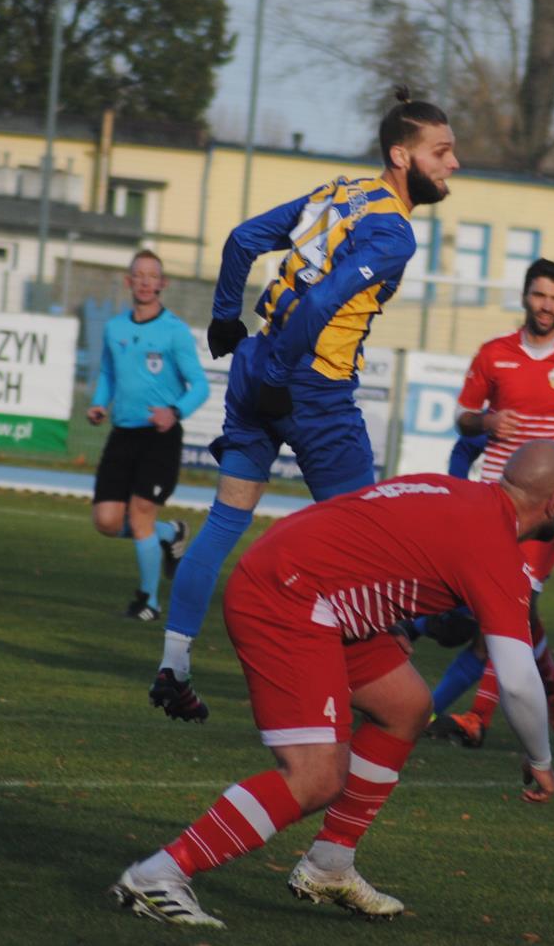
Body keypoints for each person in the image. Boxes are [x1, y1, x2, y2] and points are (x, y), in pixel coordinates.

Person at [108, 441, 554, 929]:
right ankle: (159, 874)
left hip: (314, 588)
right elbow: (519, 680)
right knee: (315, 776)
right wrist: (540, 761)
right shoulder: (496, 546)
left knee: (407, 706)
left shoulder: (456, 493)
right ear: (553, 504)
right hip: (289, 595)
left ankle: (329, 865)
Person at [147, 89, 460, 722]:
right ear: (403, 156)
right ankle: (374, 676)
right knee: (371, 543)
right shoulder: (393, 232)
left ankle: (173, 668)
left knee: (225, 522)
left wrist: (224, 322)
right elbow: (319, 307)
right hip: (310, 388)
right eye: (443, 151)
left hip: (257, 362)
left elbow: (241, 240)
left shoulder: (341, 191)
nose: (454, 163)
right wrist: (286, 375)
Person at [427, 265, 554, 747]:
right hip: (494, 503)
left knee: (507, 613)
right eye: (538, 295)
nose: (546, 305)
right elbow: (463, 421)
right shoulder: (494, 355)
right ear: (525, 296)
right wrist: (486, 422)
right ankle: (552, 680)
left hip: (545, 516)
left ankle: (475, 716)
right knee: (495, 609)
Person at [415, 324, 554, 731]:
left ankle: (455, 716)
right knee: (476, 617)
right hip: (492, 521)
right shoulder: (516, 412)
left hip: (541, 535)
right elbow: (464, 448)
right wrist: (463, 492)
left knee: (495, 623)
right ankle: (551, 681)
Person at [87, 250, 210, 621]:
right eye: (137, 275)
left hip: (159, 438)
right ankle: (170, 534)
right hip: (121, 435)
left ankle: (148, 602)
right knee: (107, 521)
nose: (144, 281)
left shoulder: (174, 331)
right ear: (128, 281)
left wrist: (174, 412)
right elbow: (108, 374)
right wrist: (98, 403)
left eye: (151, 275)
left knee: (139, 516)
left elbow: (200, 386)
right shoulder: (115, 328)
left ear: (162, 284)